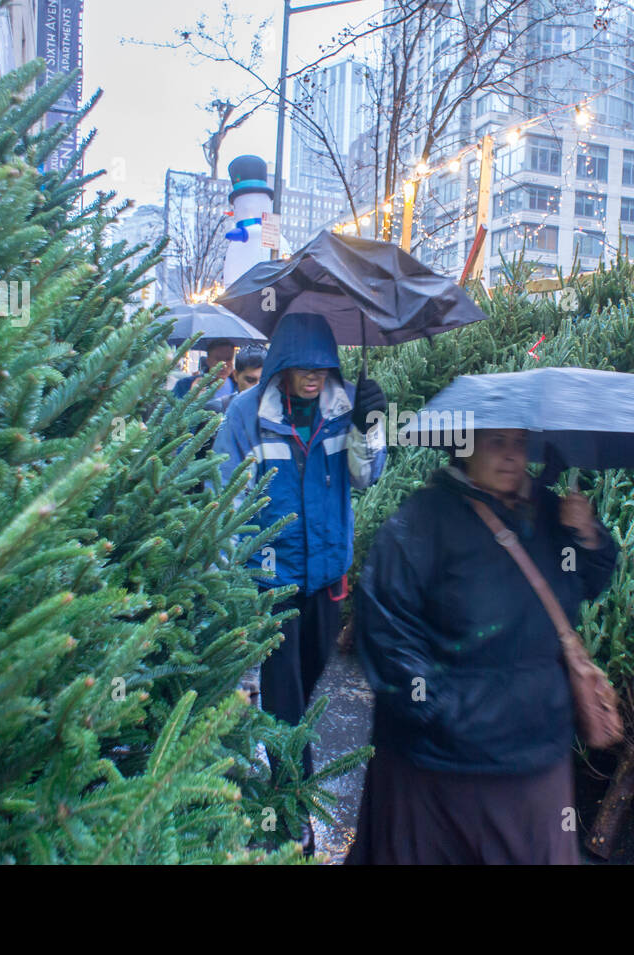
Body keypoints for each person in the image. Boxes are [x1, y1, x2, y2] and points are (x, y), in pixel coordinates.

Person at [346, 428, 618, 865]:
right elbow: (386, 631)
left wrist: (588, 537)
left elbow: (586, 582)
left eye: (518, 444)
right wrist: (441, 710)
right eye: (495, 443)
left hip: (536, 753)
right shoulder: (420, 522)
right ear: (465, 448)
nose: (511, 456)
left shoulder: (550, 512)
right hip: (440, 765)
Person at [213, 312, 388, 854]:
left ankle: (288, 789)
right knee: (285, 696)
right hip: (271, 579)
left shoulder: (344, 409)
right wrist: (229, 575)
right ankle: (293, 815)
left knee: (310, 688)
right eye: (303, 366)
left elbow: (368, 476)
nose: (314, 376)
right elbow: (224, 497)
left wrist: (371, 425)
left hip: (326, 579)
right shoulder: (247, 415)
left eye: (323, 365)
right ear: (283, 364)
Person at [205, 343, 265, 415]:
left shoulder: (277, 412)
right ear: (236, 375)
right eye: (250, 380)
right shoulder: (216, 409)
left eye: (263, 381)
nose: (257, 387)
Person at [173, 338, 238, 402]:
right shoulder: (184, 385)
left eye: (228, 359)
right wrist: (191, 398)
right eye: (218, 359)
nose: (223, 364)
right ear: (208, 361)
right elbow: (170, 409)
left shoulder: (239, 387)